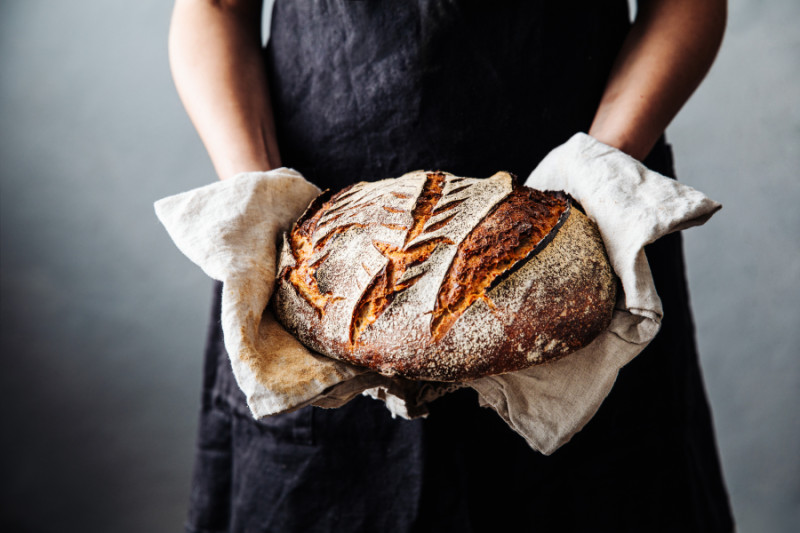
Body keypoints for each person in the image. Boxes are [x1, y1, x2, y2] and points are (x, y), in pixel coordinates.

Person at [169, 1, 734, 531]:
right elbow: (216, 6)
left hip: (585, 227)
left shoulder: (587, 210)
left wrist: (599, 169)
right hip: (322, 256)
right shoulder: (301, 251)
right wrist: (267, 200)